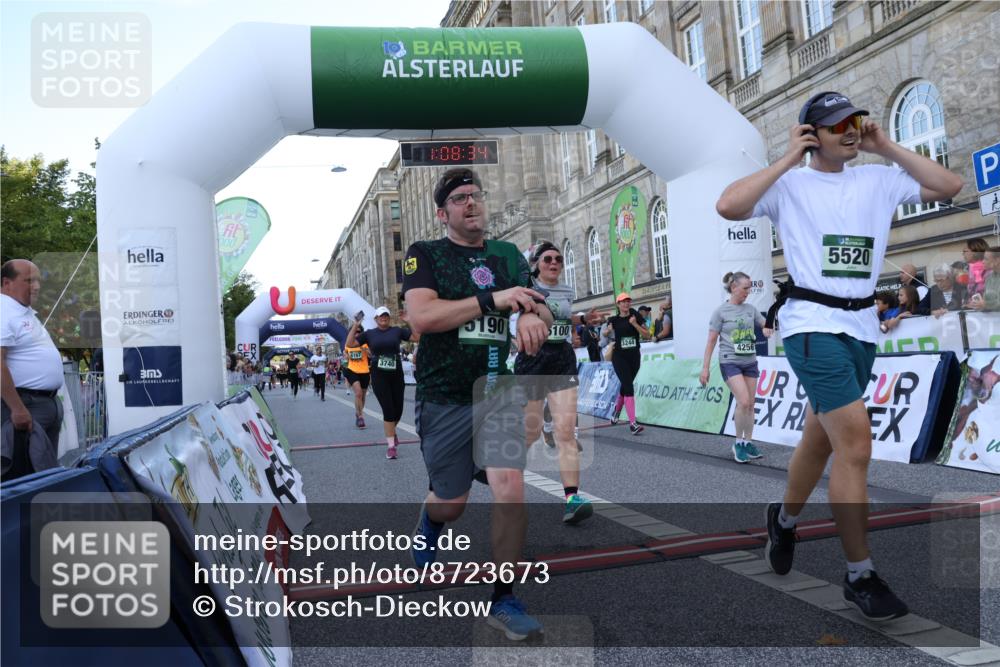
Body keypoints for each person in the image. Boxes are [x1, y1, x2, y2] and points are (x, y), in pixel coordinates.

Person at [716, 90, 962, 620]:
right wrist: (788, 157)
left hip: (862, 328)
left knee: (819, 439)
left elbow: (950, 186)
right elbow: (728, 205)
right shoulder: (789, 184)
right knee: (855, 444)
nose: (849, 130)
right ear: (812, 136)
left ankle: (783, 520)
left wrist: (886, 145)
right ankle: (859, 574)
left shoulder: (878, 178)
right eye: (835, 125)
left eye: (854, 120)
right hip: (811, 326)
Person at [402, 167, 552, 640]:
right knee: (451, 505)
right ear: (442, 213)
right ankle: (431, 519)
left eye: (476, 195)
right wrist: (493, 300)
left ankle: (503, 598)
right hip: (443, 395)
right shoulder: (425, 254)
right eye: (459, 198)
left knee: (510, 484)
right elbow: (422, 316)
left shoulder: (507, 255)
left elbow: (540, 304)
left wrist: (532, 315)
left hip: (496, 390)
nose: (471, 203)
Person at [514, 241, 601, 524]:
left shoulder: (566, 290)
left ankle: (572, 499)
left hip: (562, 358)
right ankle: (507, 486)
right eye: (548, 259)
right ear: (537, 264)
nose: (554, 263)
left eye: (559, 259)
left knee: (566, 431)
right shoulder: (526, 288)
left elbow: (563, 317)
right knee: (531, 431)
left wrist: (583, 319)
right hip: (534, 358)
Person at [1, 260, 63, 480]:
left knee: (44, 474)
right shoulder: (4, 311)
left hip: (43, 403)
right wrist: (17, 408)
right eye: (28, 280)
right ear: (6, 283)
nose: (36, 286)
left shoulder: (23, 312)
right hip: (25, 404)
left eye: (38, 280)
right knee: (25, 476)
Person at [699, 272, 771, 463]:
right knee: (744, 401)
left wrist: (767, 328)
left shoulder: (751, 309)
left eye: (750, 288)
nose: (748, 292)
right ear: (734, 288)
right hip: (730, 361)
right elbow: (711, 341)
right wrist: (705, 368)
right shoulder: (720, 312)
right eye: (745, 288)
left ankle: (748, 443)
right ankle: (738, 443)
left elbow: (765, 324)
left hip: (750, 361)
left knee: (751, 404)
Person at [346, 306, 416, 459]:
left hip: (396, 373)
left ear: (389, 318)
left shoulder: (397, 331)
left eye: (386, 315)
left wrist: (409, 320)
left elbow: (417, 337)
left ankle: (392, 431)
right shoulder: (369, 334)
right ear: (376, 319)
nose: (383, 317)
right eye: (380, 316)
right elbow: (350, 344)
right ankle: (391, 446)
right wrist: (356, 325)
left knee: (398, 410)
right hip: (379, 375)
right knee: (388, 410)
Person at [602, 292, 651, 434]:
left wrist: (634, 324)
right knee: (629, 386)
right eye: (623, 301)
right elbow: (604, 335)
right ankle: (633, 424)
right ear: (618, 304)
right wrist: (607, 331)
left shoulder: (635, 315)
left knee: (625, 386)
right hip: (619, 357)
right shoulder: (613, 319)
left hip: (634, 356)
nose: (626, 303)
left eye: (628, 301)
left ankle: (616, 411)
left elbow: (647, 335)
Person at [343, 336, 372, 428]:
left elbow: (371, 355)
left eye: (359, 332)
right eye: (355, 332)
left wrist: (365, 350)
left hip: (365, 371)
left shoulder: (365, 344)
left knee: (362, 396)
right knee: (358, 393)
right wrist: (346, 355)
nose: (356, 334)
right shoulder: (348, 343)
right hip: (352, 371)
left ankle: (358, 412)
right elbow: (345, 353)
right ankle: (360, 417)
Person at [967, 246, 1000, 312]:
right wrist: (978, 304)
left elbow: (988, 304)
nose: (983, 261)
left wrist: (986, 304)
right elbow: (986, 302)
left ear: (997, 260)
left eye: (986, 259)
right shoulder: (989, 278)